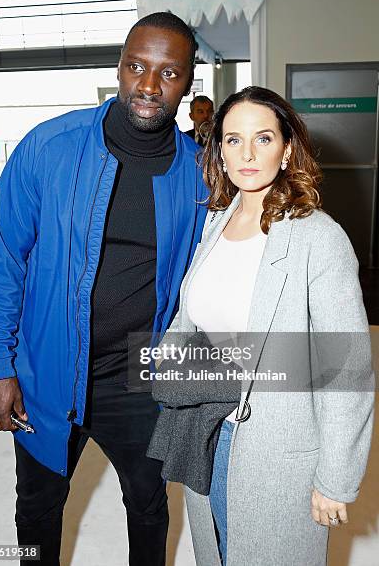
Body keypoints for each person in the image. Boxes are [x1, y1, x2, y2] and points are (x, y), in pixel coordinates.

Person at [0, 12, 207, 566]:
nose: (149, 86)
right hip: (48, 370)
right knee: (37, 505)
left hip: (140, 375)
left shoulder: (200, 172)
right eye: (136, 67)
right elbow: (3, 259)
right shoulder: (49, 148)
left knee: (149, 504)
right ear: (119, 68)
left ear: (187, 83)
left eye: (168, 73)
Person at [147, 86, 375, 566]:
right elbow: (192, 319)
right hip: (206, 432)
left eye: (263, 138)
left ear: (287, 148)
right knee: (218, 554)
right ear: (219, 150)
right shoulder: (215, 222)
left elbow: (348, 371)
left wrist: (335, 478)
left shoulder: (319, 237)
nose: (247, 154)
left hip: (279, 452)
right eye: (233, 140)